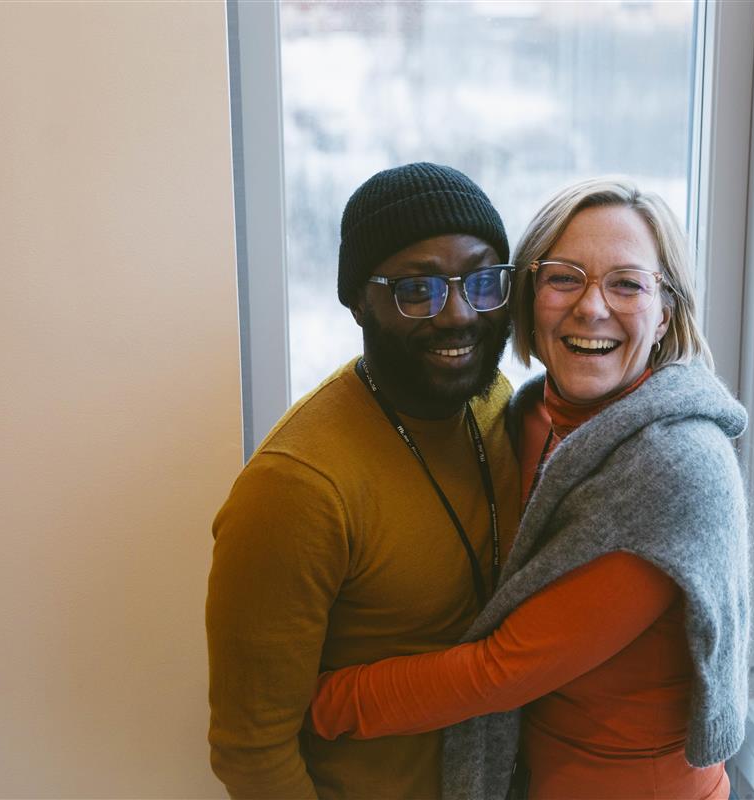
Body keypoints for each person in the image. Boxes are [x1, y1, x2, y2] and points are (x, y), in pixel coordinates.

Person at [307, 176, 750, 800]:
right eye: (564, 277)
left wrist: (322, 704)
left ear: (665, 315)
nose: (591, 308)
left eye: (627, 284)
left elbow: (503, 668)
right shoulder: (525, 414)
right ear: (527, 297)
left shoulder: (677, 469)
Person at [206, 162, 524, 799]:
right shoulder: (296, 489)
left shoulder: (494, 404)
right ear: (358, 302)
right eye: (417, 289)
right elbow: (252, 753)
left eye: (482, 281)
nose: (458, 314)